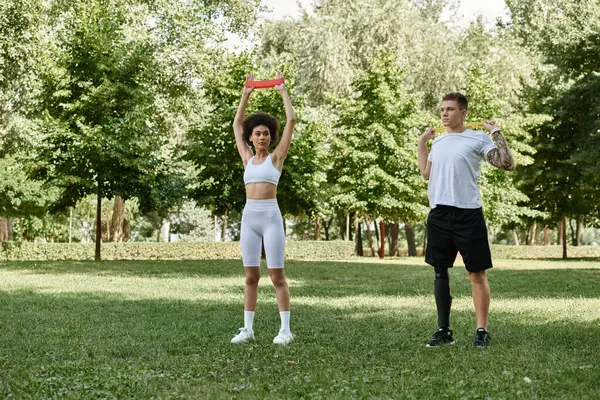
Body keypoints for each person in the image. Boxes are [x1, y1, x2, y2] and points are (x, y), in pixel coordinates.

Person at [417, 92, 515, 348]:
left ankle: (482, 330)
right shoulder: (438, 142)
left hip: (468, 213)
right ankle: (443, 331)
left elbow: (506, 163)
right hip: (439, 213)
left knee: (476, 273)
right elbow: (426, 174)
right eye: (442, 110)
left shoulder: (477, 137)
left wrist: (497, 133)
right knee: (440, 272)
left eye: (450, 109)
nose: (444, 114)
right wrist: (422, 143)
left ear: (463, 113)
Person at [230, 72, 296, 345]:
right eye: (257, 134)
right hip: (249, 218)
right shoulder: (247, 158)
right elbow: (236, 124)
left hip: (270, 216)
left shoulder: (276, 158)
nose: (262, 138)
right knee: (250, 276)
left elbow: (291, 119)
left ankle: (285, 330)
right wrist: (245, 94)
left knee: (277, 275)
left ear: (271, 138)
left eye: (266, 134)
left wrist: (282, 91)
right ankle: (248, 329)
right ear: (251, 137)